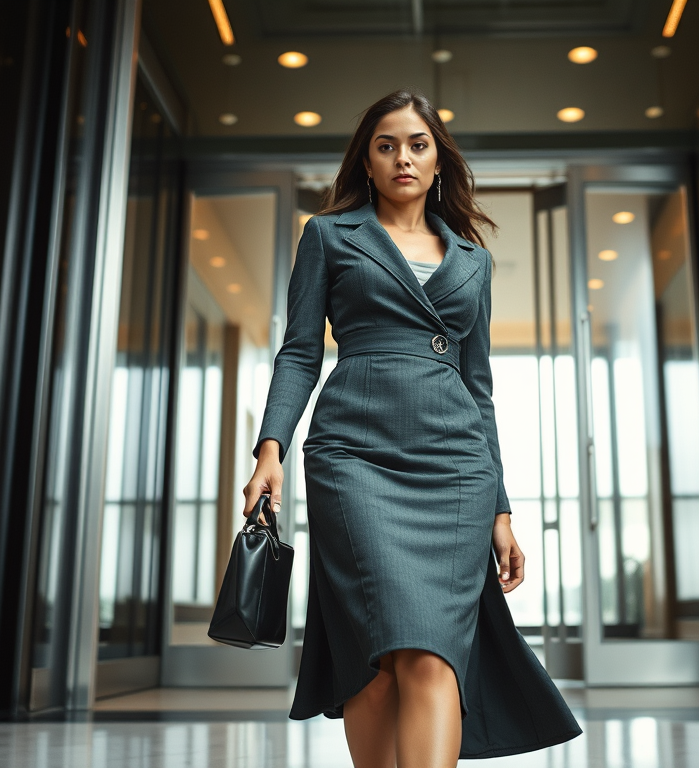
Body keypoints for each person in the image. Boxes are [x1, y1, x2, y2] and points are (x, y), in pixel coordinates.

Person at [242, 89, 581, 767]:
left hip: (455, 468)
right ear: (367, 161)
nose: (403, 157)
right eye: (386, 144)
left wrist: (502, 510)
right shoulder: (329, 235)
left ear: (437, 161)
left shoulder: (473, 260)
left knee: (432, 654)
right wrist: (270, 448)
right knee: (377, 655)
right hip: (354, 458)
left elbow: (478, 389)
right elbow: (302, 350)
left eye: (418, 144)